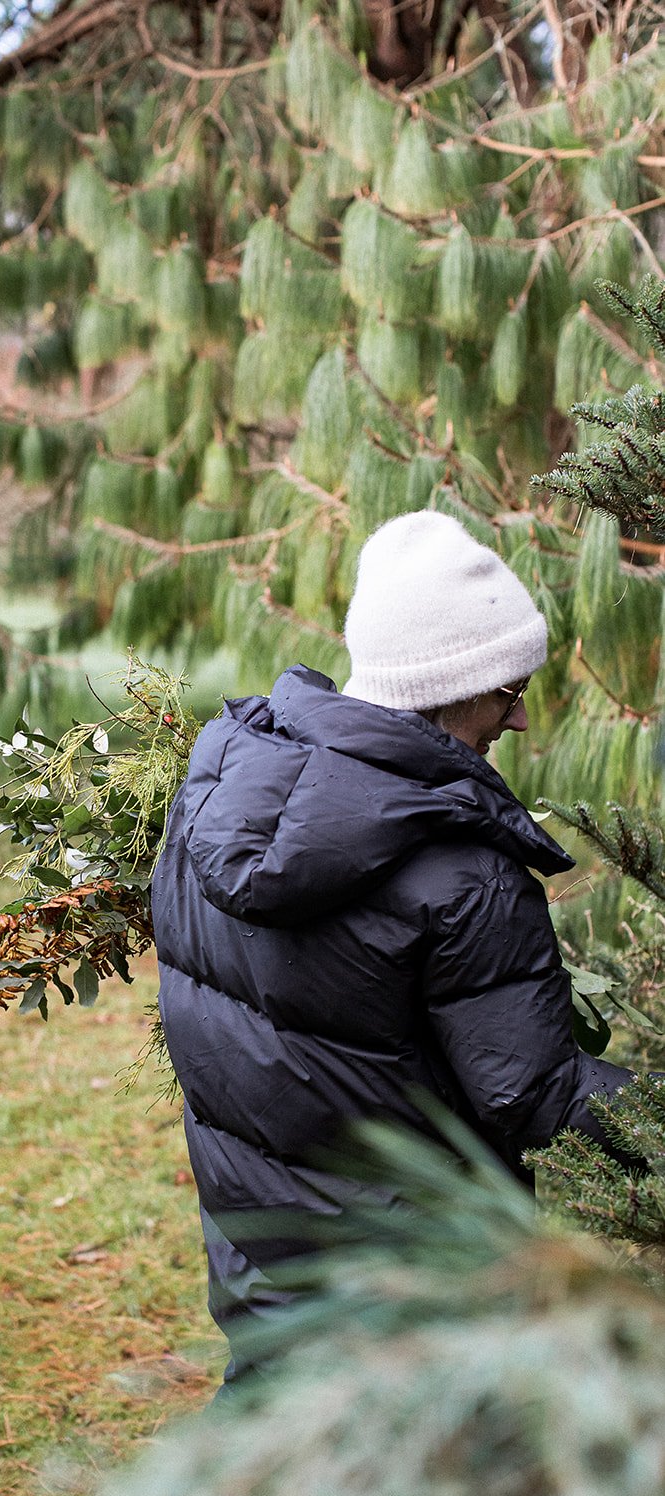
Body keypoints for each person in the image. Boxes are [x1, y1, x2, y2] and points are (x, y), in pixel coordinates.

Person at [151, 509, 637, 1389]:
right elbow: (528, 1095)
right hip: (413, 1262)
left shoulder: (214, 794)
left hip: (257, 1235)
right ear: (452, 686)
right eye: (509, 692)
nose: (515, 723)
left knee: (280, 1437)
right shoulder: (462, 873)